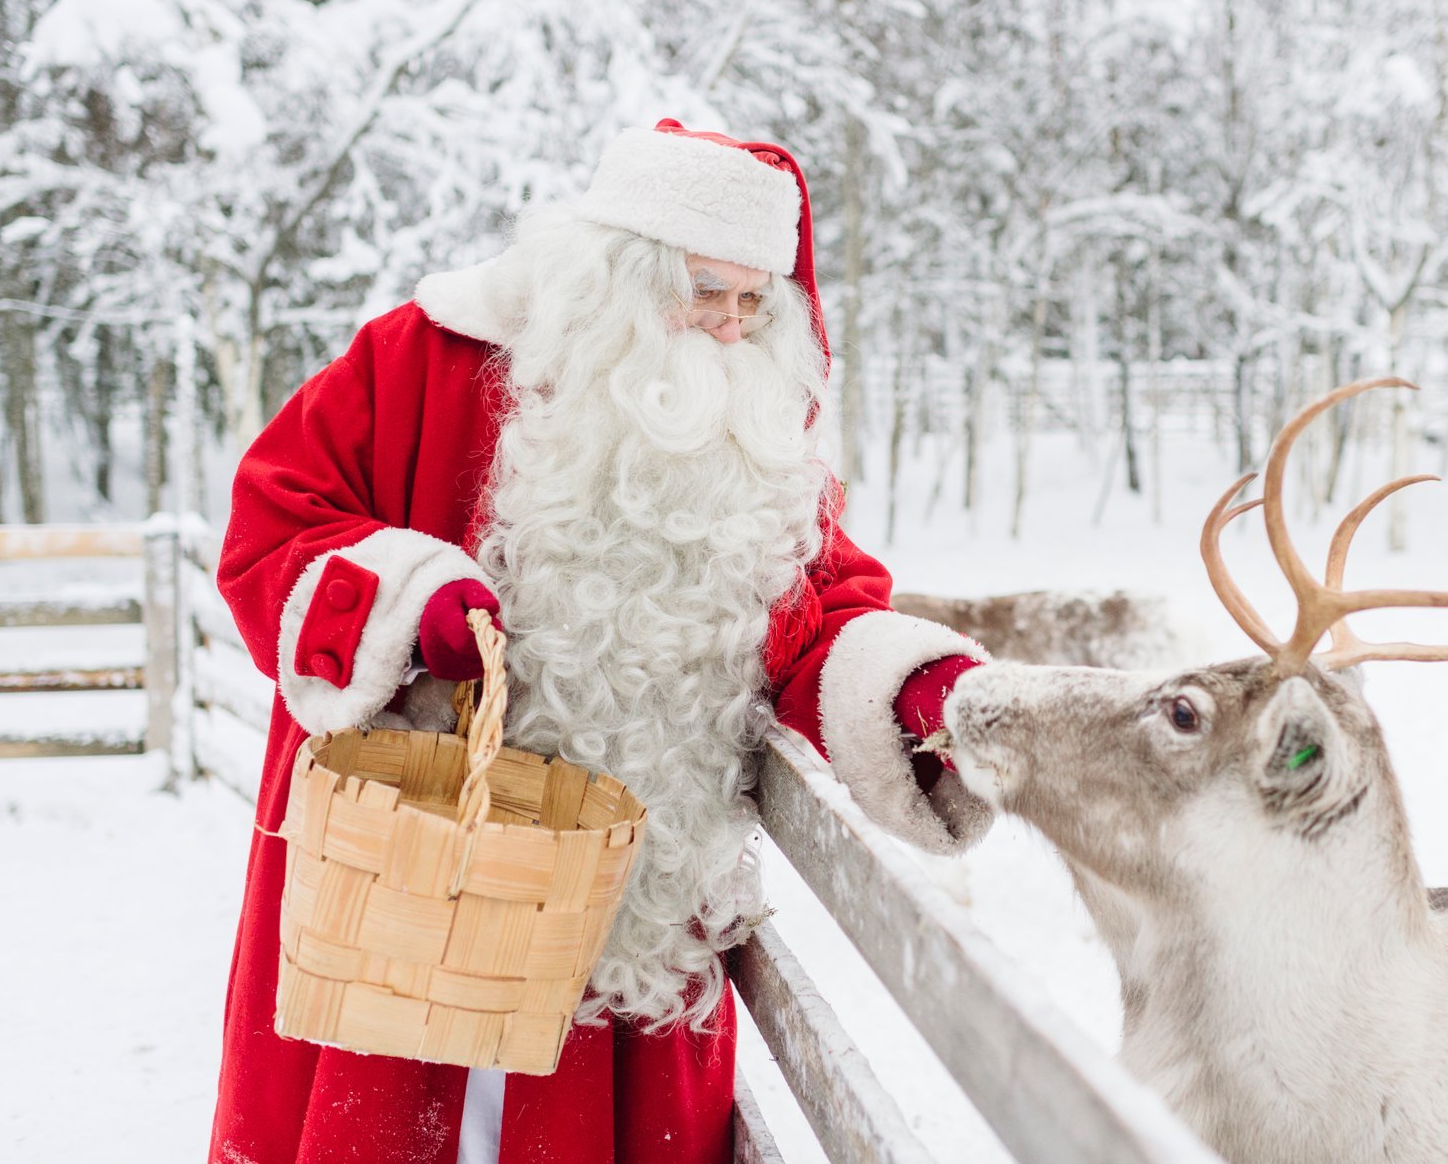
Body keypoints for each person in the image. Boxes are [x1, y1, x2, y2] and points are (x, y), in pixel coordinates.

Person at [209, 119, 991, 1164]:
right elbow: (276, 519)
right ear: (620, 274)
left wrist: (921, 693)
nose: (729, 327)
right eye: (705, 290)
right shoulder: (427, 356)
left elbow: (820, 606)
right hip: (408, 885)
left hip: (625, 915)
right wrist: (408, 602)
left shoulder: (754, 427)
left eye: (755, 302)